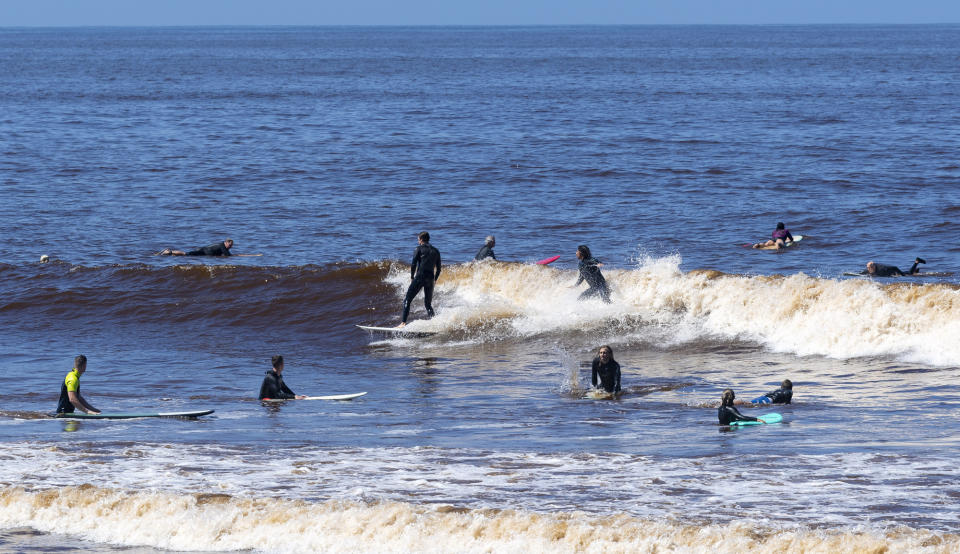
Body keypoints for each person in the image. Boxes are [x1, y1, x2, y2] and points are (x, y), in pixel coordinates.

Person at [398, 231, 442, 327]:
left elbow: (413, 264)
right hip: (430, 279)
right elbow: (439, 269)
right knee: (428, 304)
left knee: (407, 300)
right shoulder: (436, 251)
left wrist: (412, 277)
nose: (418, 241)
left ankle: (403, 323)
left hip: (420, 277)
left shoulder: (418, 249)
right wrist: (435, 279)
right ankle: (435, 324)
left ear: (421, 239)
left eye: (418, 240)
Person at [157, 239, 234, 256]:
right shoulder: (222, 245)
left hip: (203, 251)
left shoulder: (222, 246)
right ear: (226, 242)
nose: (230, 247)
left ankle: (172, 253)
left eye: (231, 246)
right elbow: (228, 256)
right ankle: (169, 252)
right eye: (229, 245)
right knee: (185, 254)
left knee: (186, 255)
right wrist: (243, 256)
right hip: (203, 251)